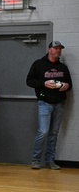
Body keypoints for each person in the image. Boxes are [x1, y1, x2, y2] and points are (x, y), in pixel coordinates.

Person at [26, 41, 72, 170]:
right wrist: (44, 84)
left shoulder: (63, 67)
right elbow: (29, 81)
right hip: (44, 103)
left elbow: (69, 84)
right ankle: (35, 160)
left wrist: (66, 86)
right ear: (49, 49)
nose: (58, 51)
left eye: (60, 49)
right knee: (43, 132)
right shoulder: (38, 64)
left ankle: (50, 160)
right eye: (56, 48)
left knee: (54, 133)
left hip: (60, 103)